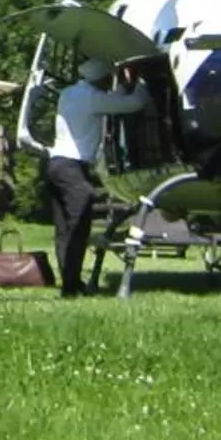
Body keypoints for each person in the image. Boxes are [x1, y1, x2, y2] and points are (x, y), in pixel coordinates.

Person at [46, 55, 148, 297]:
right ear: (100, 79)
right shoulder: (92, 99)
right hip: (73, 165)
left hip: (54, 163)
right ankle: (71, 286)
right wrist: (142, 81)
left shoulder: (69, 93)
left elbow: (109, 100)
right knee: (79, 219)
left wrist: (122, 84)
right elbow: (133, 104)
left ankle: (70, 283)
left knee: (64, 230)